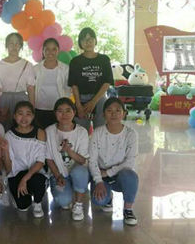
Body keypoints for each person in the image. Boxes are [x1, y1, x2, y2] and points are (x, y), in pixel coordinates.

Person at [89, 97, 139, 226]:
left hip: (120, 175)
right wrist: (99, 180)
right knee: (98, 200)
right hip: (102, 175)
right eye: (109, 110)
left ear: (124, 113)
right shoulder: (97, 133)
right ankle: (108, 198)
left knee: (131, 176)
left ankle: (128, 209)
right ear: (103, 114)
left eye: (118, 110)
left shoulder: (130, 134)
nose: (114, 114)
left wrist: (108, 172)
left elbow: (130, 162)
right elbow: (92, 160)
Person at [45, 98, 90, 221]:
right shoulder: (49, 131)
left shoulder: (82, 132)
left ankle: (78, 204)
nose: (64, 114)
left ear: (74, 112)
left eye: (68, 110)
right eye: (60, 111)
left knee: (80, 171)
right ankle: (69, 192)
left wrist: (69, 152)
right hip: (59, 174)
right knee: (63, 201)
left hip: (77, 172)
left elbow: (83, 161)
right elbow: (49, 159)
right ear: (55, 113)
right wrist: (58, 176)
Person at [1, 101, 47, 218]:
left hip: (35, 172)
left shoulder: (40, 133)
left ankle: (37, 202)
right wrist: (5, 150)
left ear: (33, 116)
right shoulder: (9, 135)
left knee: (38, 181)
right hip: (17, 173)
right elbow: (8, 168)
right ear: (14, 116)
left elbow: (40, 162)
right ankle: (22, 196)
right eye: (20, 113)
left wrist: (25, 179)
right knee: (22, 206)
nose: (24, 118)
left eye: (28, 114)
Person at [68, 27, 114, 131]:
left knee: (101, 130)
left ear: (95, 41)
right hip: (81, 99)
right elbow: (74, 85)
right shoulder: (75, 61)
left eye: (90, 39)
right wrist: (78, 106)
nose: (88, 42)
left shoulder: (104, 59)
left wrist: (93, 101)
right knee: (81, 131)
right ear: (80, 43)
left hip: (100, 98)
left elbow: (107, 83)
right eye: (84, 39)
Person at [0, 33, 36, 131]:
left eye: (17, 44)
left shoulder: (27, 65)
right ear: (6, 45)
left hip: (22, 101)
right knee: (3, 128)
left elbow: (31, 89)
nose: (14, 46)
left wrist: (32, 109)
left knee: (22, 128)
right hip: (4, 101)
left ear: (21, 46)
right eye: (11, 43)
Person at [33, 38, 71, 129]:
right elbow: (31, 89)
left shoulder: (65, 69)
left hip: (59, 111)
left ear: (58, 51)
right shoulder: (35, 69)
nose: (50, 52)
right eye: (47, 49)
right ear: (43, 51)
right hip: (39, 109)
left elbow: (68, 89)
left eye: (54, 49)